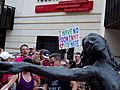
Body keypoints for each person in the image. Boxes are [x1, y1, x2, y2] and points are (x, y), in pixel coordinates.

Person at [1, 33, 120, 90]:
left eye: (93, 40)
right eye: (87, 43)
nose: (93, 43)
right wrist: (26, 66)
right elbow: (63, 73)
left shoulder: (115, 68)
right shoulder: (94, 70)